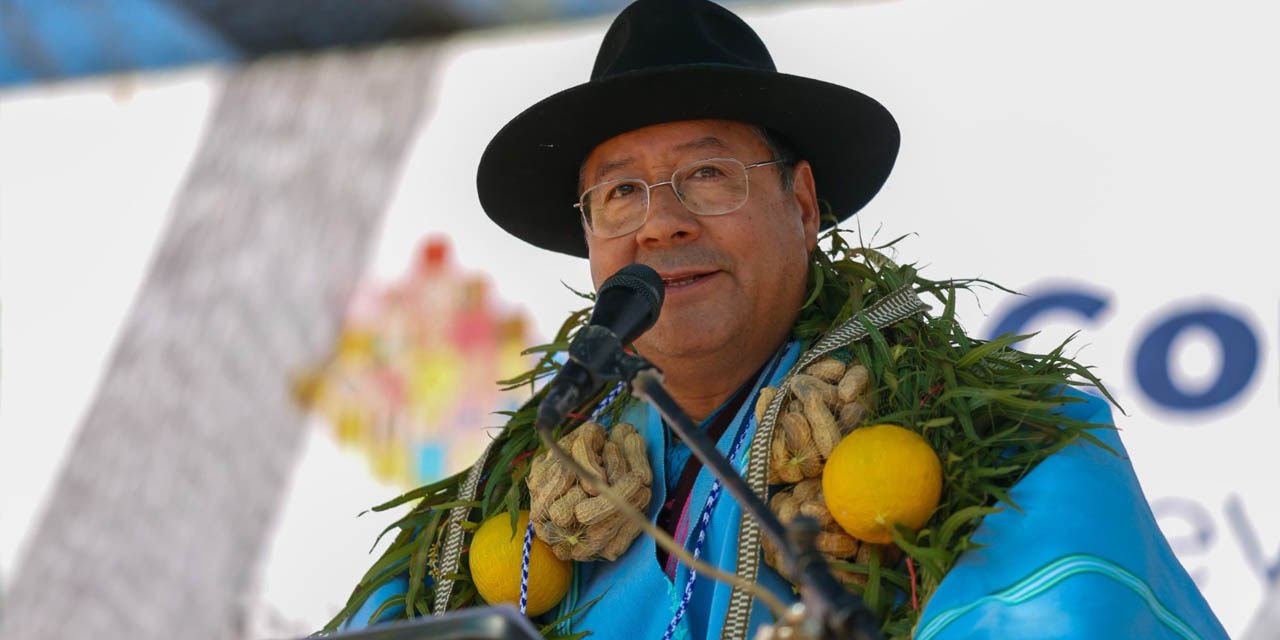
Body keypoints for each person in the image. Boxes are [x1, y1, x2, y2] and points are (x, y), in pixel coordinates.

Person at [336, 1, 1228, 638]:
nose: (661, 222)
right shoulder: (520, 501)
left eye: (708, 176)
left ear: (802, 202)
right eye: (619, 194)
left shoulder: (1013, 446)